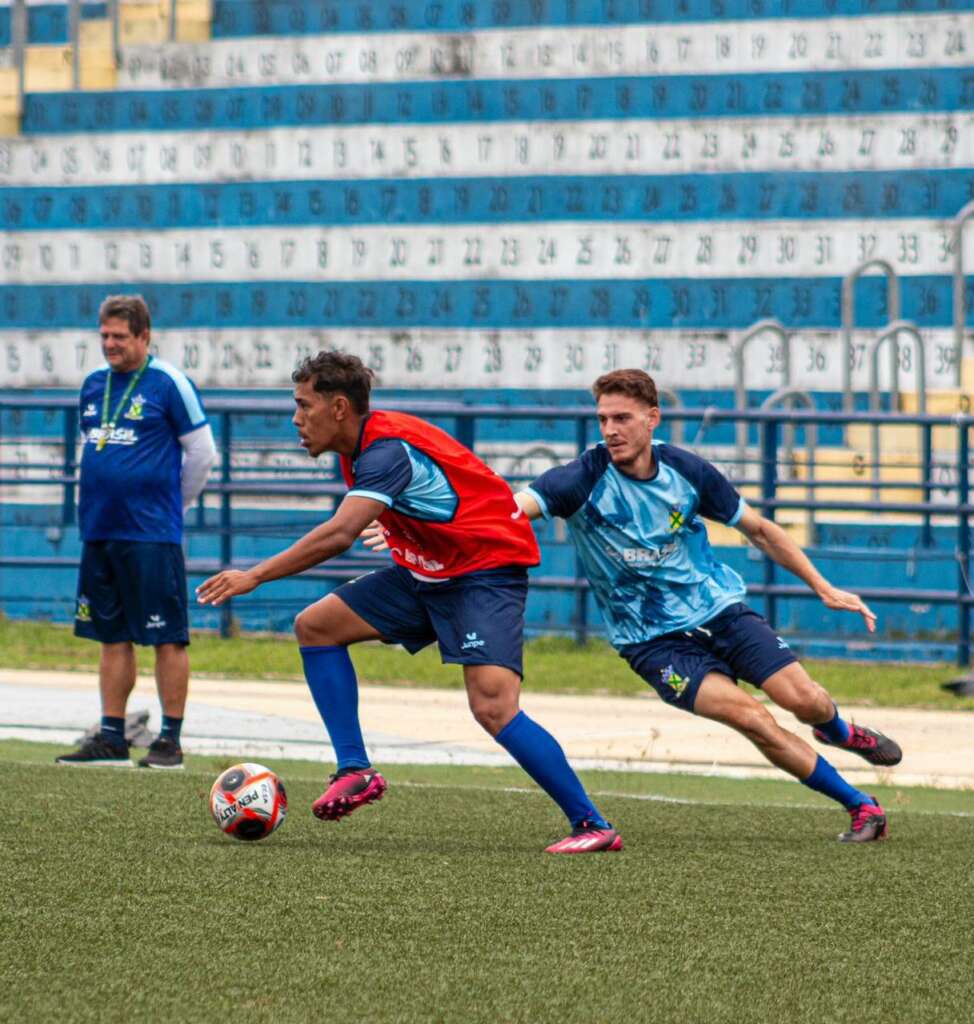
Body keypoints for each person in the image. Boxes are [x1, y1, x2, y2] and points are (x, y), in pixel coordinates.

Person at [196, 350, 621, 854]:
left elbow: (339, 534)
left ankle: (593, 825)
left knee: (493, 707)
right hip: (427, 570)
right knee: (317, 626)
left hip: (483, 573)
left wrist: (254, 576)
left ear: (337, 408)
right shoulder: (361, 451)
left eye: (302, 405)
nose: (295, 419)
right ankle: (355, 770)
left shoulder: (384, 450)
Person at [513, 368, 901, 843]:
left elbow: (758, 529)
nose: (611, 430)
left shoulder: (688, 471)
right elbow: (511, 510)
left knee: (806, 700)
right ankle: (862, 806)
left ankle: (837, 730)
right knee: (752, 718)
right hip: (651, 642)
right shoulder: (578, 479)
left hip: (720, 611)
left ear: (652, 418)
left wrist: (823, 587)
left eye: (622, 418)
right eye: (602, 419)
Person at [56, 295, 216, 770]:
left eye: (119, 337)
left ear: (144, 336)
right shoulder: (92, 386)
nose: (110, 344)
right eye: (104, 335)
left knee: (167, 636)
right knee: (110, 635)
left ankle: (169, 741)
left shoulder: (169, 384)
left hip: (151, 533)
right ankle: (111, 735)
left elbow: (202, 453)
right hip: (100, 530)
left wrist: (175, 504)